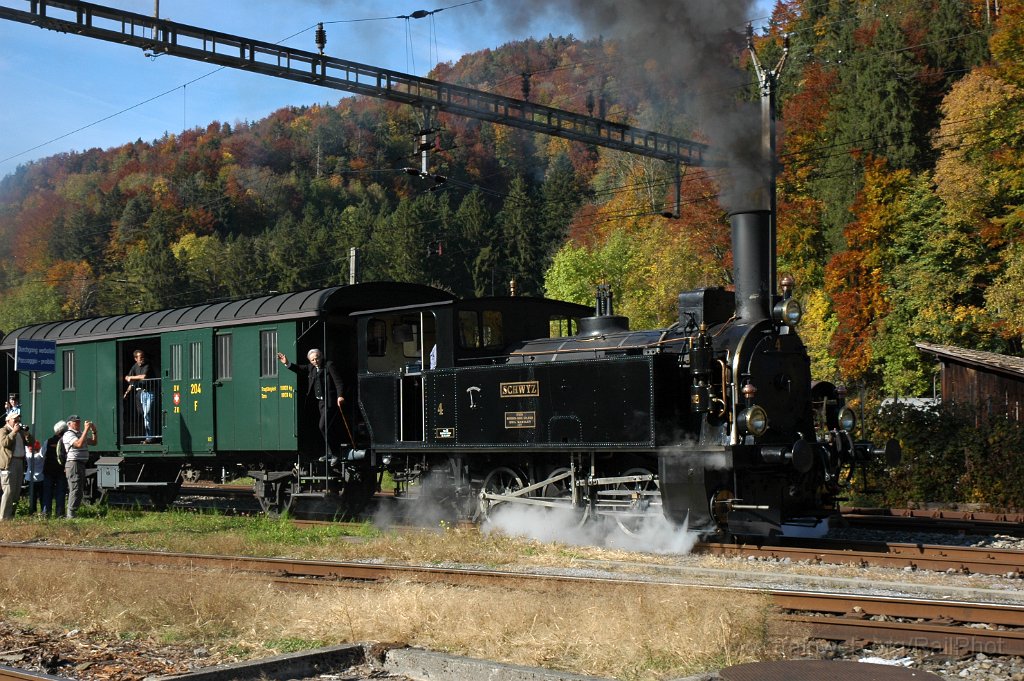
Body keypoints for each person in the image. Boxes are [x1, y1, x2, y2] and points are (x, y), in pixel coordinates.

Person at [277, 348, 345, 463]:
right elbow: (299, 368)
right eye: (313, 359)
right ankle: (330, 453)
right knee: (325, 427)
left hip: (330, 401)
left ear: (321, 356)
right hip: (320, 403)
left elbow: (338, 381)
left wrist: (340, 395)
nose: (315, 361)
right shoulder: (311, 368)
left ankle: (335, 454)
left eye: (317, 358)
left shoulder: (329, 365)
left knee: (323, 426)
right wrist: (287, 363)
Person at [62, 414, 97, 518]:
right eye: (75, 422)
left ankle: (73, 513)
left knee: (79, 490)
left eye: (79, 422)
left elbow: (94, 442)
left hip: (80, 464)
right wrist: (86, 430)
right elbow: (78, 444)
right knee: (75, 489)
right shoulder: (68, 434)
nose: (78, 423)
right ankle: (70, 515)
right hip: (73, 464)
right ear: (69, 424)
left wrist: (94, 431)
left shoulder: (81, 433)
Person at [0, 408, 32, 520]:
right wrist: (14, 431)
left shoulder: (20, 432)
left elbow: (32, 443)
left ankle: (11, 516)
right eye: (14, 420)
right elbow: (4, 443)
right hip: (10, 463)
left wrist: (27, 434)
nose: (17, 422)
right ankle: (3, 517)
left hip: (19, 462)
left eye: (18, 419)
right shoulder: (4, 430)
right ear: (8, 420)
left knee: (16, 492)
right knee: (8, 491)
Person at [124, 349, 156, 442]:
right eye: (140, 357)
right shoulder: (135, 367)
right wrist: (126, 392)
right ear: (135, 359)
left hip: (150, 392)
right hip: (142, 393)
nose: (142, 359)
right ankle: (149, 437)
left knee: (147, 413)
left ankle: (149, 438)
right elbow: (131, 382)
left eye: (143, 357)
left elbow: (143, 376)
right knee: (144, 414)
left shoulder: (147, 364)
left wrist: (130, 377)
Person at [41, 420, 69, 518]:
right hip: (61, 470)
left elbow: (42, 454)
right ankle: (60, 513)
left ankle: (45, 513)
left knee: (47, 492)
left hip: (49, 470)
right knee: (61, 492)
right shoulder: (67, 441)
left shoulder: (48, 441)